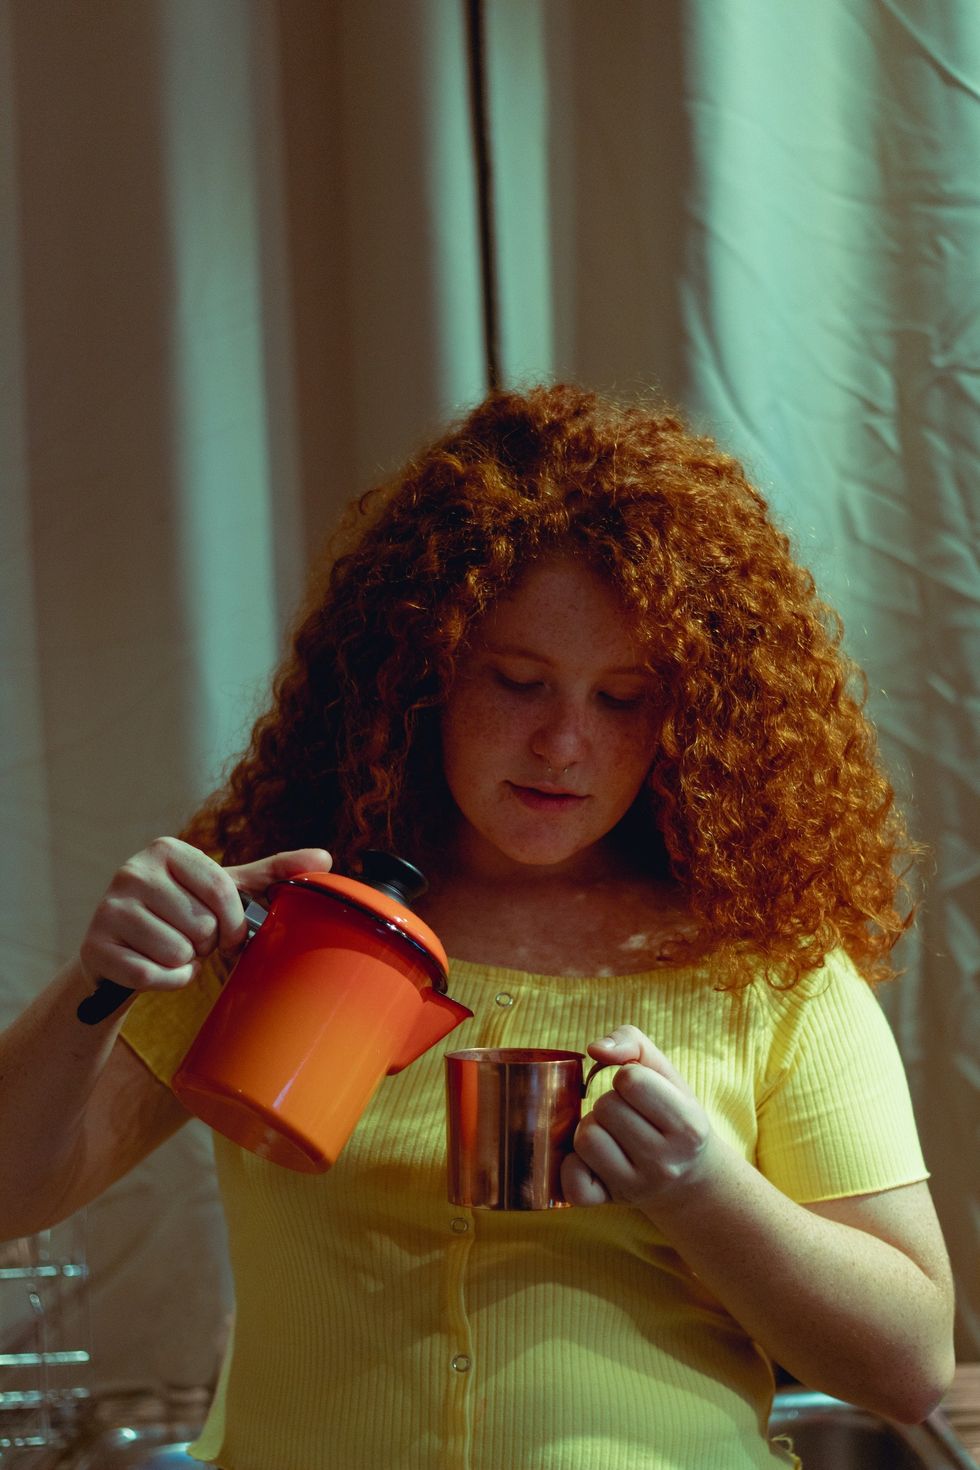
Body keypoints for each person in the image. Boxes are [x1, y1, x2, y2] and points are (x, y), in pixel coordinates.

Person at [0, 384, 955, 1469]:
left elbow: (908, 1367)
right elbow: (12, 1195)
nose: (563, 744)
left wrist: (704, 1189)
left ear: (689, 714)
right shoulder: (289, 920)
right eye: (518, 681)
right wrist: (99, 982)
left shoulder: (767, 968)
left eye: (622, 698)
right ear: (423, 671)